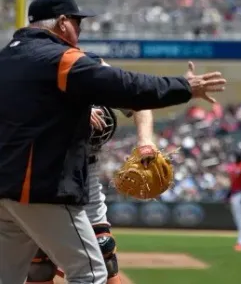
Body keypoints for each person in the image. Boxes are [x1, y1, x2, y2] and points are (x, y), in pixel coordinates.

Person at [0, 0, 225, 284]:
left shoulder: (7, 59)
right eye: (77, 23)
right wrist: (183, 86)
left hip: (7, 189)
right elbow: (128, 86)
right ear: (63, 22)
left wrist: (80, 113)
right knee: (91, 273)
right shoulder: (64, 60)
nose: (80, 29)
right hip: (42, 186)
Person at [25, 54, 154, 284]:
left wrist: (145, 141)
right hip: (40, 172)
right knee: (39, 264)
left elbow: (139, 101)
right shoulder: (35, 67)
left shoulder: (94, 67)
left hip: (85, 171)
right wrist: (75, 113)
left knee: (106, 252)